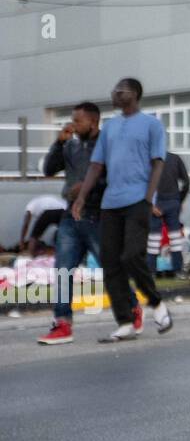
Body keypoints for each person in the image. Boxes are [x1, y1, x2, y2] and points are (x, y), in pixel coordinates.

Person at [71, 78, 174, 342]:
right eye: (113, 88)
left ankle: (156, 303)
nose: (114, 93)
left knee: (131, 256)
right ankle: (125, 322)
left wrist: (148, 198)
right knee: (110, 262)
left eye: (121, 90)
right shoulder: (110, 127)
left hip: (137, 200)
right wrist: (81, 198)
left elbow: (158, 163)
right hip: (110, 203)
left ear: (135, 94)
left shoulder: (151, 124)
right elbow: (96, 165)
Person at [38, 103, 106, 345]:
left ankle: (130, 308)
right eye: (72, 122)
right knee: (63, 270)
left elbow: (113, 179)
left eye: (78, 122)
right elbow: (48, 169)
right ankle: (63, 323)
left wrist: (89, 187)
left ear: (93, 122)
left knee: (111, 270)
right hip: (70, 216)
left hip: (98, 216)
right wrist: (58, 143)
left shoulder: (106, 145)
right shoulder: (71, 146)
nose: (74, 127)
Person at [148, 151, 190, 277]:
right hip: (173, 201)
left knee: (153, 240)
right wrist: (178, 200)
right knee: (176, 238)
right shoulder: (175, 158)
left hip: (155, 203)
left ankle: (151, 271)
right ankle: (178, 270)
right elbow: (186, 182)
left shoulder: (147, 160)